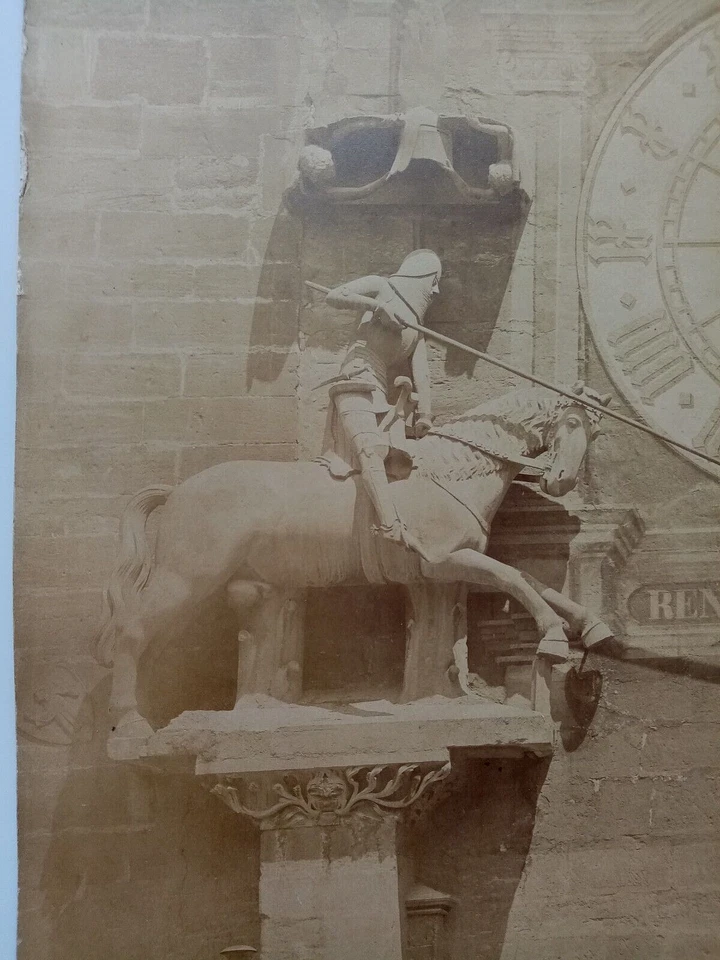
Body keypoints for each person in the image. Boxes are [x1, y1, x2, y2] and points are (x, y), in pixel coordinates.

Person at [322, 249, 442, 548]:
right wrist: (376, 307)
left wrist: (425, 415)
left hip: (382, 388)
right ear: (422, 276)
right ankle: (390, 526)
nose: (434, 290)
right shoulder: (382, 285)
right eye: (433, 281)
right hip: (358, 372)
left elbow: (422, 374)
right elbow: (335, 296)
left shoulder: (417, 329)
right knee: (371, 449)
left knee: (401, 462)